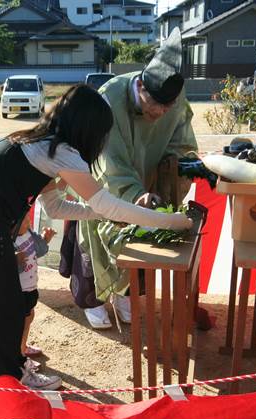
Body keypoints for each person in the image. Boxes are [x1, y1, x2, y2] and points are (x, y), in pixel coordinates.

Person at [0, 84, 192, 391]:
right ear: (89, 128)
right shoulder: (60, 152)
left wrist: (105, 214)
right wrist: (169, 221)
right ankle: (12, 382)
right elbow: (104, 202)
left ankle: (13, 371)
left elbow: (57, 208)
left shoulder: (41, 144)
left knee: (8, 303)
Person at [63, 28, 211, 330]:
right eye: (154, 104)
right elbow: (108, 163)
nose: (160, 112)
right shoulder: (109, 100)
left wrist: (179, 168)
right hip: (103, 185)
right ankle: (92, 301)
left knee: (141, 242)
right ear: (140, 84)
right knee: (98, 235)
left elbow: (181, 141)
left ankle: (123, 296)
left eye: (167, 107)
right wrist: (135, 196)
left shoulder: (173, 98)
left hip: (149, 176)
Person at [14, 212, 55, 359]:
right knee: (21, 322)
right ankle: (20, 355)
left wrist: (45, 239)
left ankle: (22, 347)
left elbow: (39, 251)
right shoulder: (9, 242)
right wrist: (15, 260)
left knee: (29, 316)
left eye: (27, 217)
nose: (28, 221)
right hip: (19, 291)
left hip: (31, 287)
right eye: (23, 219)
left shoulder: (28, 233)